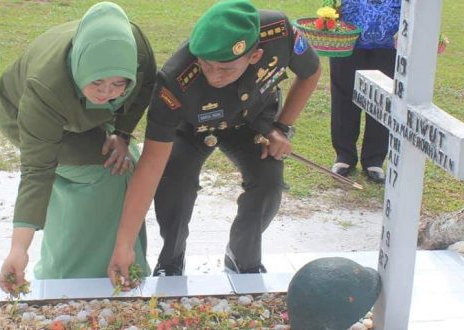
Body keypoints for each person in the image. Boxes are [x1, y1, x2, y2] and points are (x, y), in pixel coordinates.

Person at [108, 0, 321, 283]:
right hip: (192, 126)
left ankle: (242, 258)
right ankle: (171, 261)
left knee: (268, 181)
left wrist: (282, 127)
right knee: (174, 184)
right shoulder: (174, 81)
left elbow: (311, 72)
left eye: (225, 68)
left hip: (252, 120)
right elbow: (150, 167)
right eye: (206, 65)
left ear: (255, 55)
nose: (214, 75)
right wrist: (123, 245)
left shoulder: (280, 32)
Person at [0, 2, 156, 293]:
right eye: (98, 83)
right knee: (105, 171)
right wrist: (19, 249)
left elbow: (144, 89)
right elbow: (37, 170)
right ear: (80, 67)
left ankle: (128, 261)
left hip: (86, 115)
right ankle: (66, 277)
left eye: (119, 83)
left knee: (127, 159)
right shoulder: (45, 87)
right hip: (27, 115)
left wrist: (122, 134)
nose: (108, 93)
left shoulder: (137, 51)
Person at [329, 0, 400, 183]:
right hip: (347, 34)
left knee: (383, 98)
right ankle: (344, 155)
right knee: (343, 94)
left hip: (390, 38)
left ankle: (374, 159)